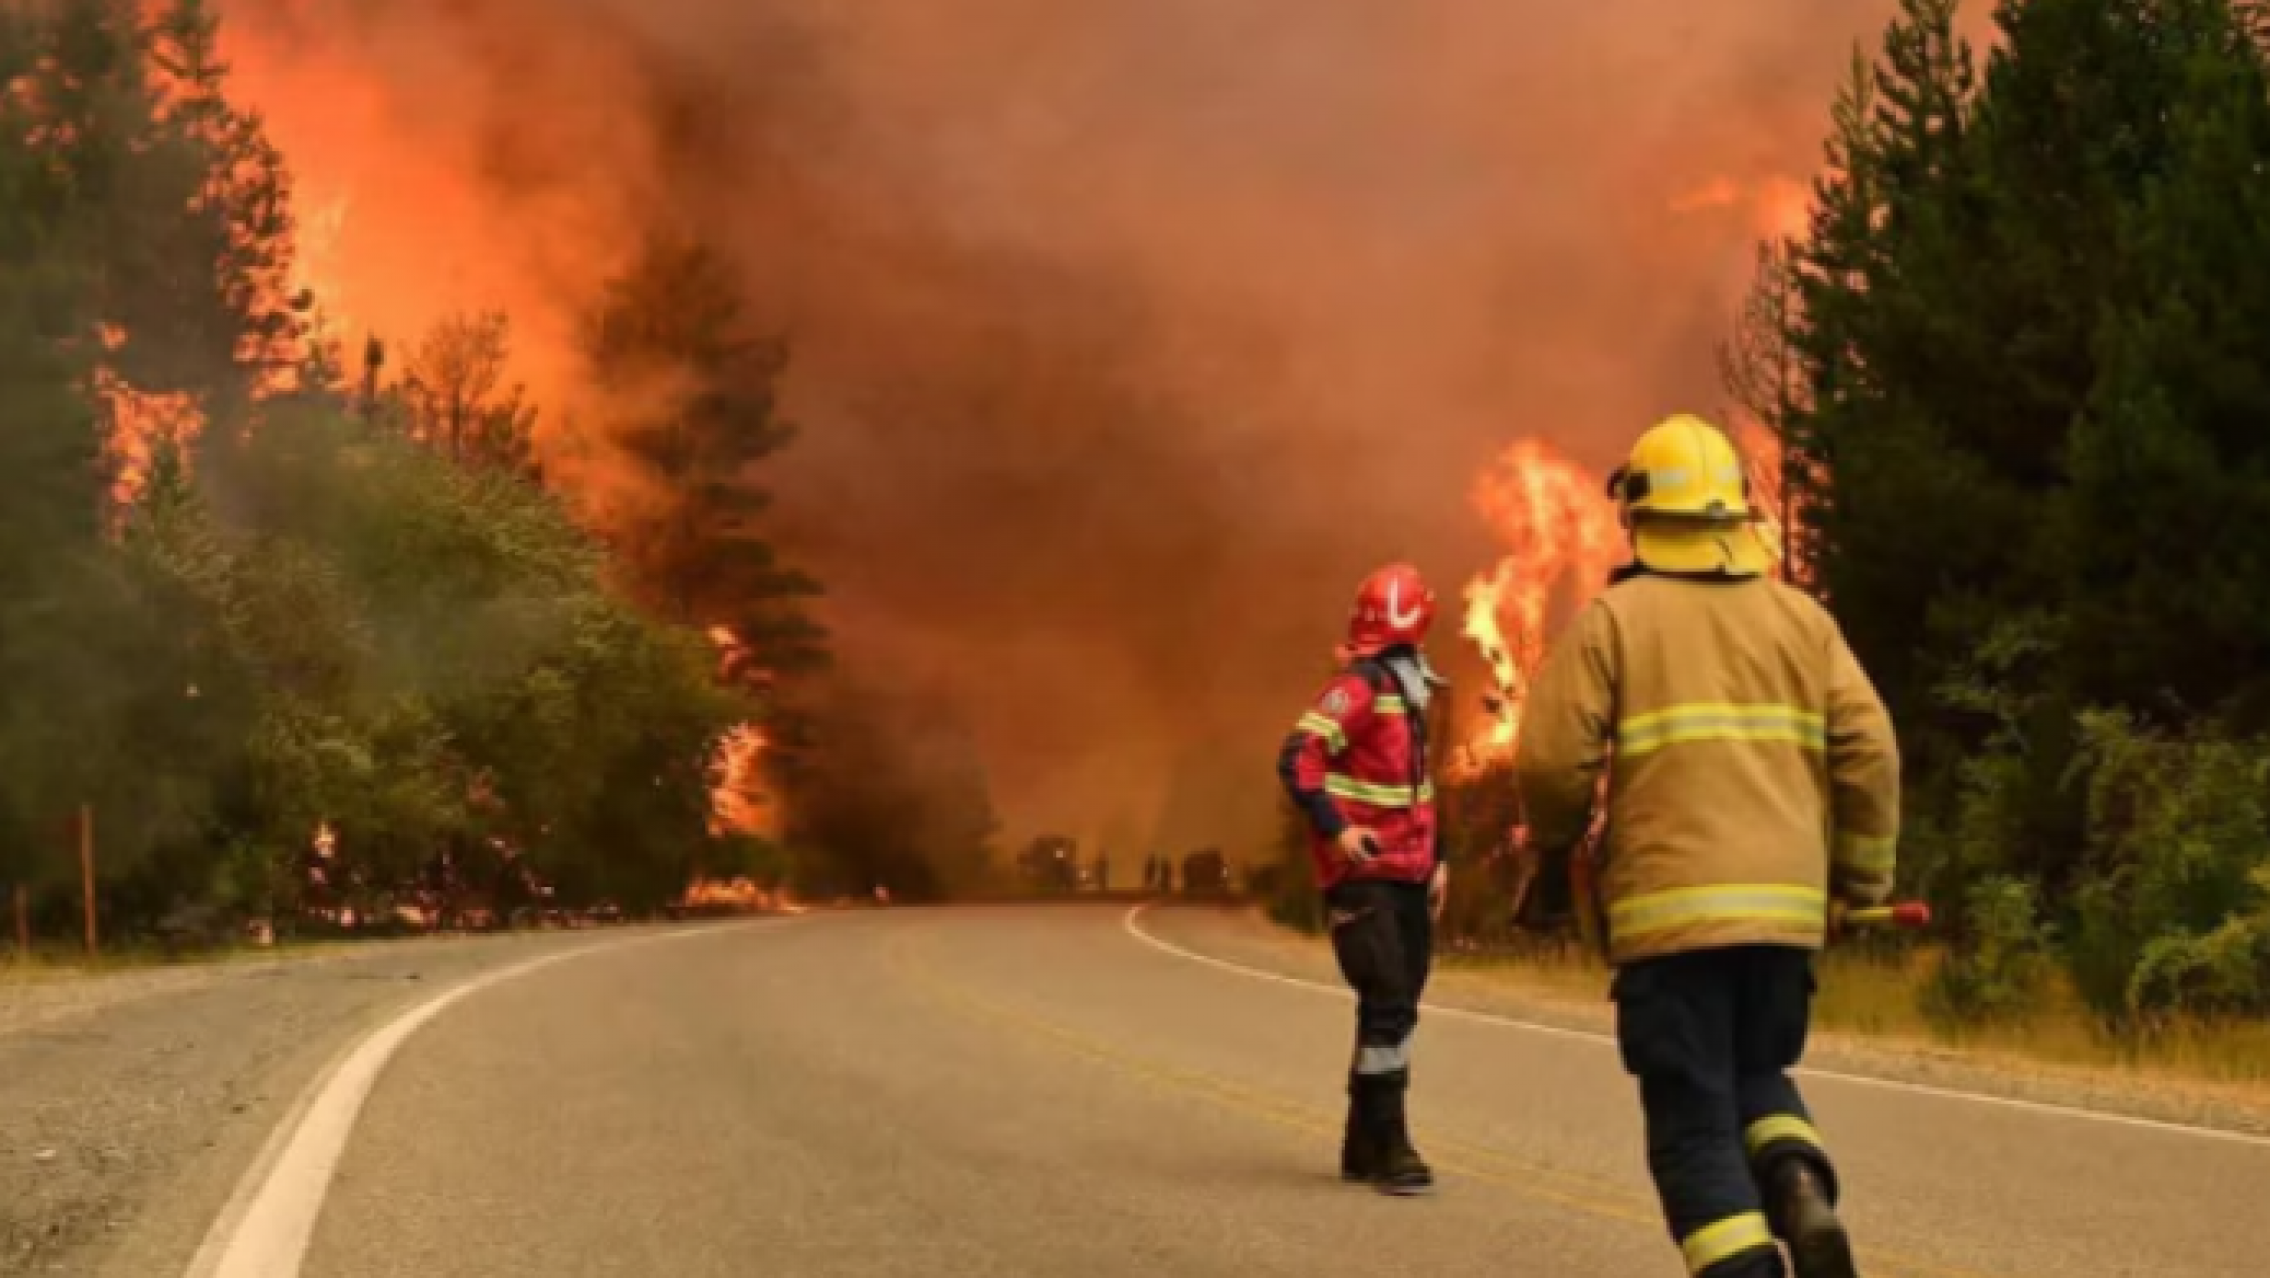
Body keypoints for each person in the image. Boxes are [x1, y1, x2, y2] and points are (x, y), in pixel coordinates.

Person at [1513, 414, 1900, 1278]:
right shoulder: (1803, 621)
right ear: (1735, 512)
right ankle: (1797, 1182)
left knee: (1691, 1119)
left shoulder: (1615, 622)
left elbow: (1548, 762)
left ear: (1639, 516)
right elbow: (1871, 751)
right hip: (1785, 921)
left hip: (1671, 922)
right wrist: (1859, 879)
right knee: (1758, 1069)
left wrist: (1555, 850)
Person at [1277, 562, 1452, 1195]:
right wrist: (1338, 831)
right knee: (1388, 1001)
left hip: (1409, 872)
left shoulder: (1412, 693)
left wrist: (1440, 858)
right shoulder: (1359, 686)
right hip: (1364, 874)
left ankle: (1361, 1143)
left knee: (1395, 1007)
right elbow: (1298, 756)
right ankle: (1393, 1146)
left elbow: (1421, 789)